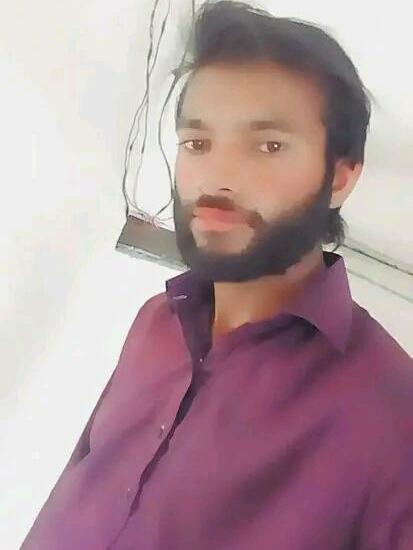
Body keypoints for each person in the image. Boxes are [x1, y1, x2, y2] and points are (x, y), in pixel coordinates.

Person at [21, 1, 413, 549]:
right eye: (197, 143)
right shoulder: (156, 322)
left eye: (269, 145)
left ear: (341, 178)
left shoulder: (393, 416)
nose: (217, 177)